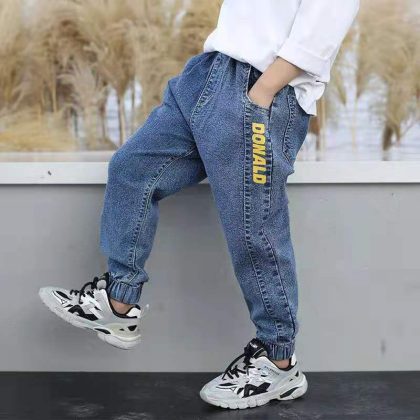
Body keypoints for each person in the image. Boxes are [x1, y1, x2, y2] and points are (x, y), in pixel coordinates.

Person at [39, 0, 359, 410]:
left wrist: (261, 94)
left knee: (254, 228)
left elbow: (318, 37)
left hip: (261, 88)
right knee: (132, 169)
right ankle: (118, 301)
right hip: (207, 74)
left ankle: (278, 361)